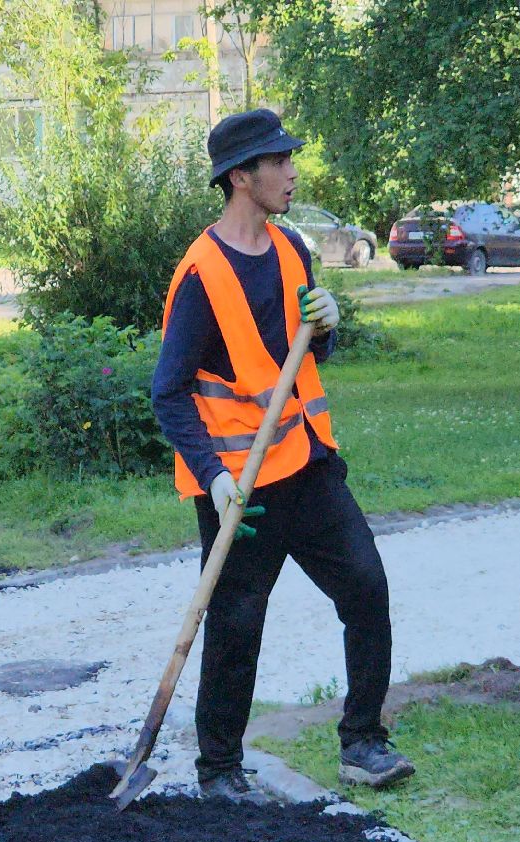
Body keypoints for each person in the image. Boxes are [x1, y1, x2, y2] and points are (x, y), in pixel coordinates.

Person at [151, 108, 415, 805]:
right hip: (241, 489)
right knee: (236, 625)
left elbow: (303, 352)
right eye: (279, 161)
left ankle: (363, 741)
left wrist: (326, 325)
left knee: (366, 589)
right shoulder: (202, 275)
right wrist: (213, 478)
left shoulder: (291, 247)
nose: (293, 171)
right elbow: (168, 392)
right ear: (242, 177)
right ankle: (219, 770)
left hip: (307, 463)